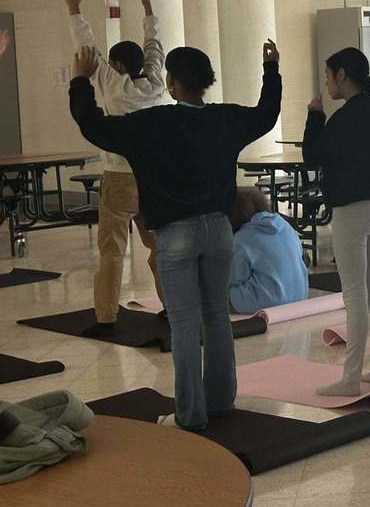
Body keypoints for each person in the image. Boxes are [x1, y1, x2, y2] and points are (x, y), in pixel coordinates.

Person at [68, 39, 282, 430]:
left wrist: (81, 82)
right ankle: (220, 402)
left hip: (175, 233)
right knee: (217, 316)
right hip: (219, 230)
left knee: (185, 325)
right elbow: (267, 115)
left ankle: (190, 414)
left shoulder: (152, 124)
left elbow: (93, 125)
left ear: (171, 82)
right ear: (205, 82)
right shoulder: (225, 119)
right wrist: (271, 70)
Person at [62, 0, 165, 337]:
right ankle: (171, 305)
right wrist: (149, 11)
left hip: (119, 179)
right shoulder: (154, 86)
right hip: (153, 180)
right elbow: (155, 50)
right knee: (160, 246)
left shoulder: (113, 86)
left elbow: (87, 48)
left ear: (118, 66)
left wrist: (74, 9)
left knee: (111, 250)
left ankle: (106, 317)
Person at [303, 47, 370, 397]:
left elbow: (312, 157)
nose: (327, 84)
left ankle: (351, 378)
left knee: (354, 293)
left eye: (329, 76)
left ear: (342, 75)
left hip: (350, 208)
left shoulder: (340, 120)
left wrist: (314, 116)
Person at [228, 188, 309, 314]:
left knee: (220, 295)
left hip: (269, 303)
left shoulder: (241, 239)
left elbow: (235, 278)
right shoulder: (285, 225)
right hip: (300, 295)